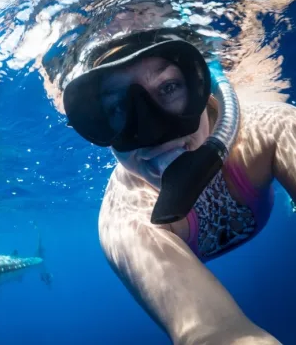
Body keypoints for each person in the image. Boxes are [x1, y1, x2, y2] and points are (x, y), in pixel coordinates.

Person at [61, 27, 296, 344]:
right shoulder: (126, 219)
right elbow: (212, 333)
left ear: (200, 86)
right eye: (117, 107)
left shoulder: (271, 130)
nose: (152, 131)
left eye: (169, 87)